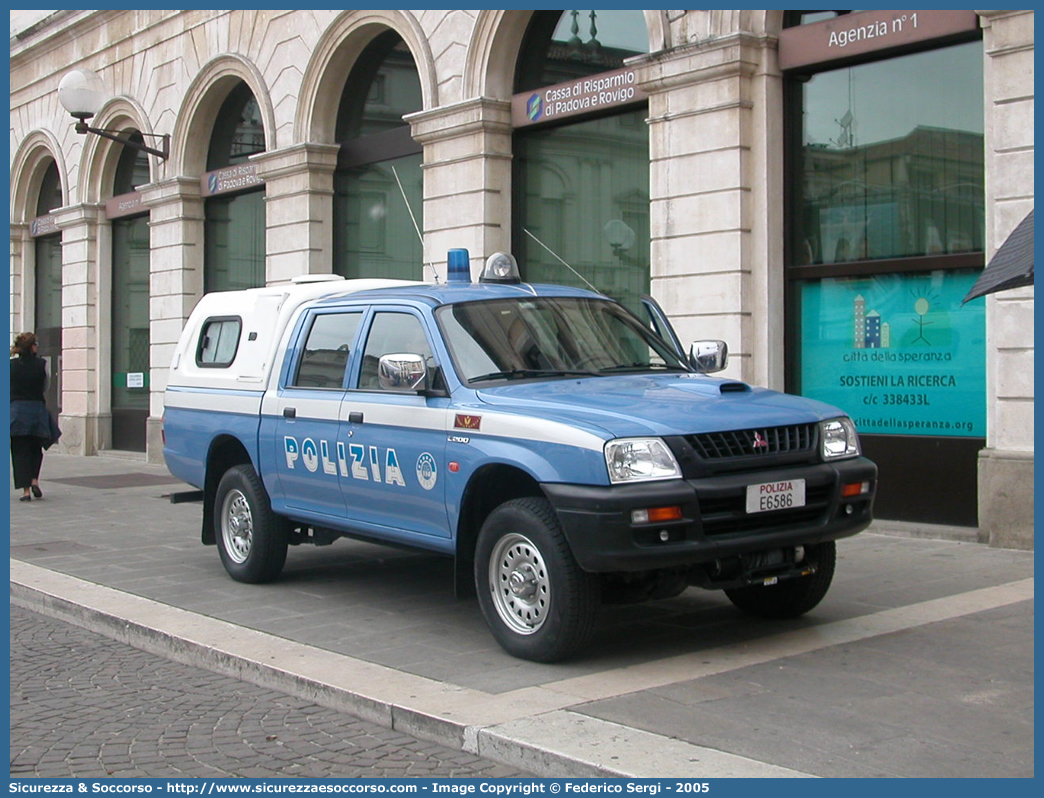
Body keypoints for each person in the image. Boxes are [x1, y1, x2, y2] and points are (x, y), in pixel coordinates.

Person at [10, 332, 59, 502]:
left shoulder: (11, 365)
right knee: (35, 448)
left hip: (17, 411)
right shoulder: (42, 364)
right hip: (36, 410)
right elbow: (46, 385)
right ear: (32, 347)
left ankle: (25, 491)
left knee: (19, 451)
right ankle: (34, 480)